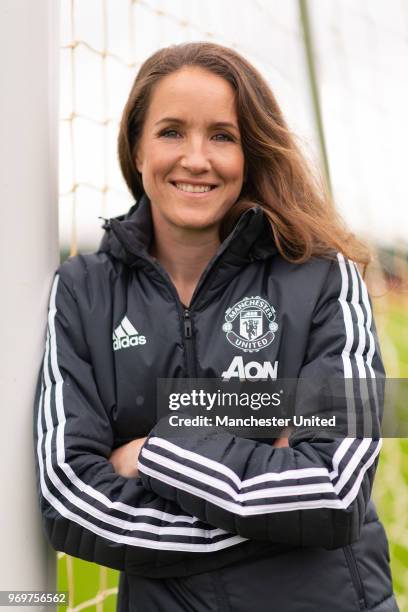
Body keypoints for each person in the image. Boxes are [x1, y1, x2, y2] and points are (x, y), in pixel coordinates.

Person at [34, 42, 398, 611]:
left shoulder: (325, 278)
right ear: (135, 148)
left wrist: (156, 450)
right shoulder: (82, 292)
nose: (196, 158)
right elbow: (70, 495)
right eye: (172, 131)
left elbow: (335, 492)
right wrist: (273, 495)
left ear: (249, 152)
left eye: (222, 136)